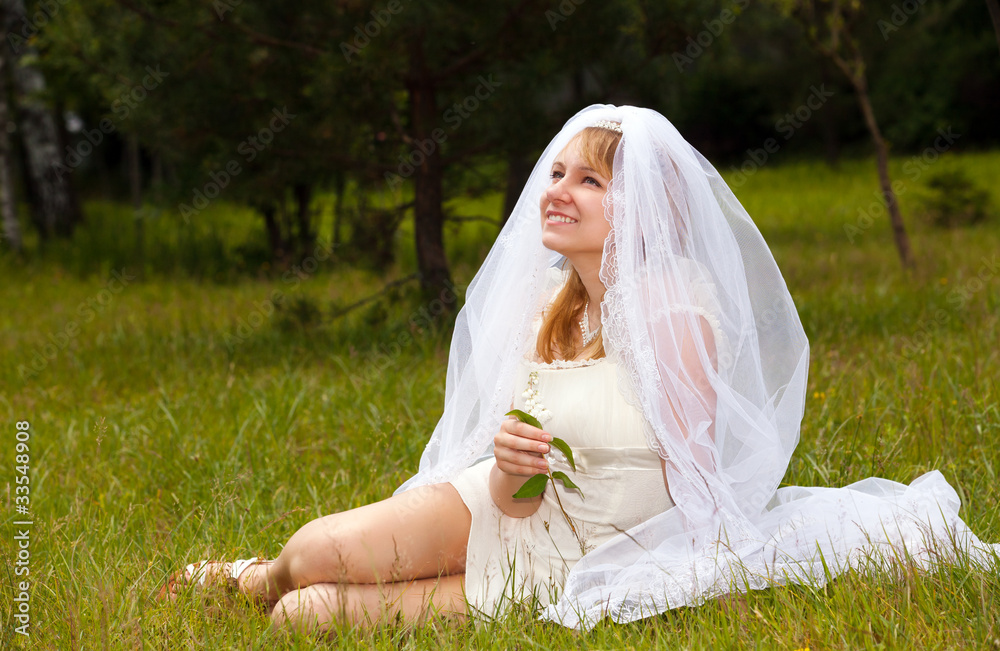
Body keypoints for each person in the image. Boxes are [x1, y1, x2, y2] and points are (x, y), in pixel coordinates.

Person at [160, 105, 998, 632]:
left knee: (308, 620)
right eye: (556, 173)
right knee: (305, 558)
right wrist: (508, 471)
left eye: (588, 179)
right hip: (496, 509)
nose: (558, 190)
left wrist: (692, 580)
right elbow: (516, 480)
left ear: (636, 205)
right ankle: (248, 576)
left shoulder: (672, 313)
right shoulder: (549, 310)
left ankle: (275, 594)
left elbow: (699, 488)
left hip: (577, 554)